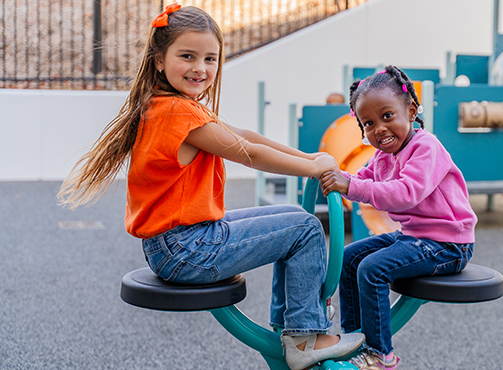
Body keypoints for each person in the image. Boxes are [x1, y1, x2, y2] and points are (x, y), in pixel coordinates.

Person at [57, 4, 363, 370]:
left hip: (179, 243)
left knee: (294, 219)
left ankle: (294, 329)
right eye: (187, 56)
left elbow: (245, 136)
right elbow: (247, 153)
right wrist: (313, 167)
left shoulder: (172, 105)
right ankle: (304, 336)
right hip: (187, 248)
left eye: (210, 59)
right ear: (159, 59)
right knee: (306, 228)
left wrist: (312, 156)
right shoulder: (177, 112)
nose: (200, 68)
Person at [319, 65, 477, 369]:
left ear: (411, 110)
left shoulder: (425, 147)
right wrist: (333, 177)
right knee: (349, 258)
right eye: (368, 123)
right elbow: (359, 178)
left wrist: (350, 184)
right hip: (415, 236)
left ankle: (380, 354)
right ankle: (353, 341)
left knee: (372, 269)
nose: (379, 128)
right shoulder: (382, 156)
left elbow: (406, 192)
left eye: (387, 116)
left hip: (448, 243)